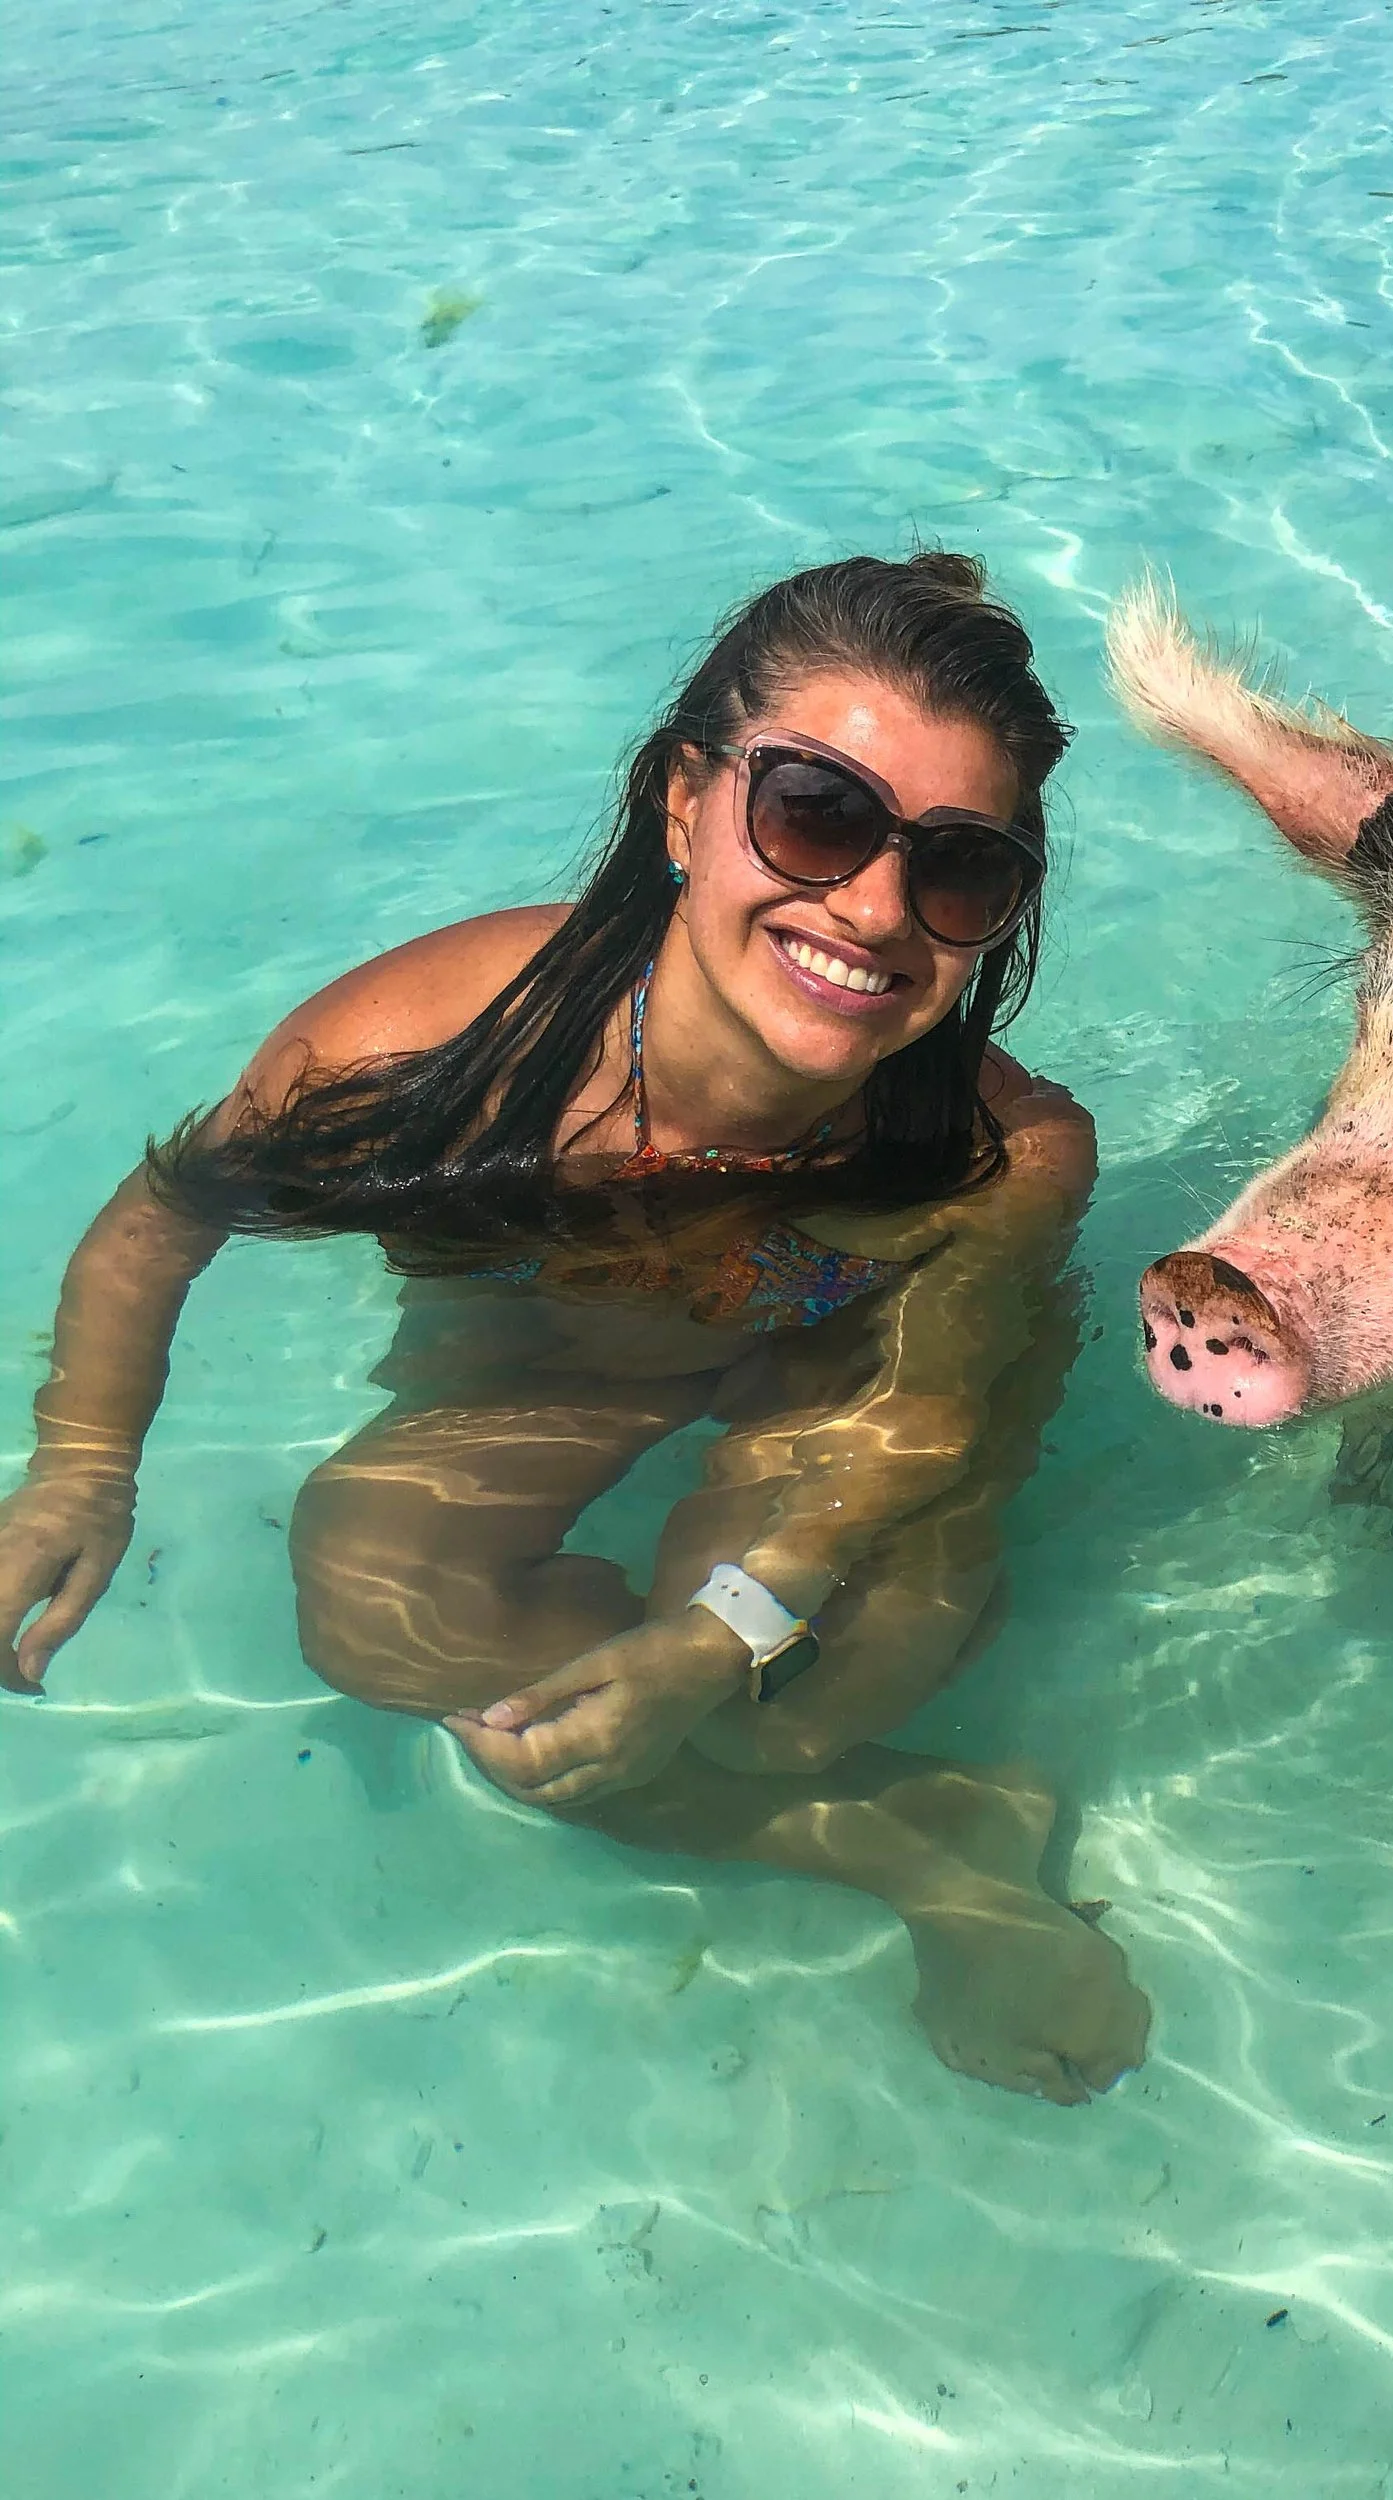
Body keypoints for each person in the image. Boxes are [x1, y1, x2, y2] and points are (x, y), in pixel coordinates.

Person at [0, 553, 1148, 2105]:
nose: (875, 910)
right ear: (685, 800)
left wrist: (712, 1638)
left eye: (959, 870)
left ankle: (849, 1782)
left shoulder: (1002, 1158)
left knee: (785, 1709)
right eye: (816, 813)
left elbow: (916, 1426)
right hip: (563, 1350)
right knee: (375, 1599)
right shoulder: (425, 1058)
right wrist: (80, 1470)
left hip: (844, 1373)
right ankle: (931, 1844)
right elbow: (162, 1222)